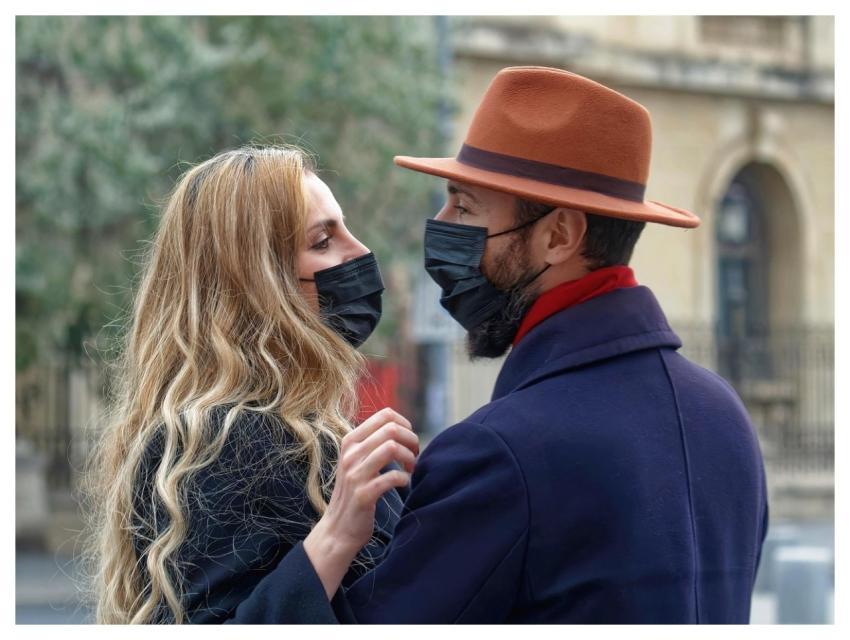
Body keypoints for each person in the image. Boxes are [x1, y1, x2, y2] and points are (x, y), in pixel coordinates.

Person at [331, 66, 770, 623]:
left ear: (559, 236)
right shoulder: (725, 416)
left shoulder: (495, 455)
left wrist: (328, 543)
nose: (440, 225)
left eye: (465, 208)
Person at [82, 145, 419, 623]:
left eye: (346, 230)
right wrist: (336, 537)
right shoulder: (226, 437)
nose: (361, 253)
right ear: (257, 281)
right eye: (323, 242)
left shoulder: (294, 424)